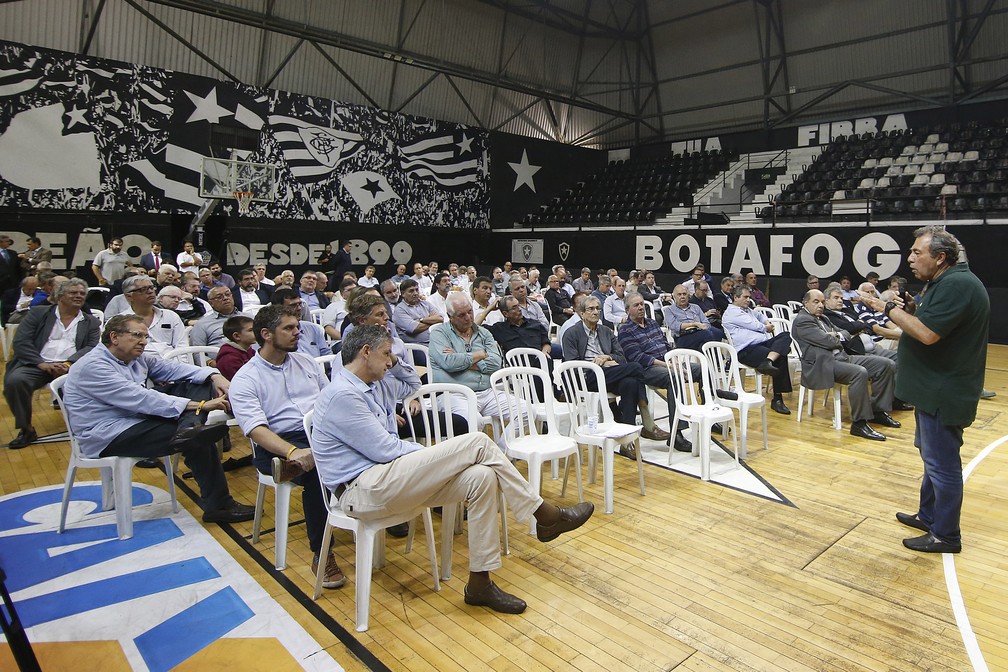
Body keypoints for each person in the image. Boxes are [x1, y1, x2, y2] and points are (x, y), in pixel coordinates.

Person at [311, 324, 594, 614]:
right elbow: (385, 451)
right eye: (386, 354)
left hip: (388, 479)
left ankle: (480, 583)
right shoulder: (343, 395)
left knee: (482, 477)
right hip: (361, 490)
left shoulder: (374, 384)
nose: (389, 360)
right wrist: (434, 456)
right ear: (365, 352)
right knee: (477, 443)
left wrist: (395, 361)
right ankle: (544, 514)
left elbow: (411, 384)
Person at [860, 226, 988, 554]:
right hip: (934, 389)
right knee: (933, 460)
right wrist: (909, 309)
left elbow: (929, 335)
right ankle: (928, 515)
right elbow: (929, 323)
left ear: (941, 257)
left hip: (943, 391)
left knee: (943, 466)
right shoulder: (943, 282)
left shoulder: (957, 284)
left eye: (918, 252)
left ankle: (946, 535)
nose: (910, 258)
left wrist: (886, 309)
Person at [62, 314, 254, 523]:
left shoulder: (134, 357)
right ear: (114, 337)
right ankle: (218, 504)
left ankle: (190, 427)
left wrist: (213, 375)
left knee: (199, 383)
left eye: (145, 336)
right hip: (108, 433)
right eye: (137, 335)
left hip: (138, 420)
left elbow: (172, 369)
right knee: (199, 438)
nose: (144, 341)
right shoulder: (93, 366)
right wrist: (200, 405)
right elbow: (141, 399)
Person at [228, 305, 345, 586]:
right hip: (279, 442)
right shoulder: (246, 378)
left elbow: (330, 401)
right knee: (321, 473)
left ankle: (303, 467)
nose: (298, 332)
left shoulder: (306, 363)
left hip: (319, 433)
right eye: (289, 328)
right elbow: (256, 429)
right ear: (267, 335)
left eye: (297, 326)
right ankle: (322, 553)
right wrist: (293, 451)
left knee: (371, 448)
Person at [563, 295, 678, 447]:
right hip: (587, 377)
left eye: (598, 308)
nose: (596, 312)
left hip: (611, 373)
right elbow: (572, 364)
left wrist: (607, 357)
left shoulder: (606, 331)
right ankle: (644, 416)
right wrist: (595, 364)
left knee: (631, 382)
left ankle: (627, 439)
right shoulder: (571, 333)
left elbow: (621, 357)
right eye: (591, 309)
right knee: (636, 367)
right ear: (582, 313)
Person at [3, 279, 99, 449]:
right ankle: (26, 429)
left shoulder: (90, 321)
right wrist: (41, 364)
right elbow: (21, 342)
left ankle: (90, 427)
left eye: (82, 293)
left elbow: (92, 347)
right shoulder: (38, 314)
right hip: (37, 365)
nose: (79, 296)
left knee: (98, 381)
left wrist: (69, 363)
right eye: (73, 293)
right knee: (15, 381)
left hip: (71, 368)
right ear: (59, 296)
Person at [792, 290, 899, 442]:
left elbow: (845, 333)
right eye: (816, 302)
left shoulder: (823, 318)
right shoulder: (802, 320)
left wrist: (835, 336)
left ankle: (878, 411)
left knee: (886, 364)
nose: (821, 305)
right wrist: (835, 337)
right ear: (806, 303)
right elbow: (829, 341)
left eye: (822, 302)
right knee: (859, 372)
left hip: (842, 357)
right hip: (823, 364)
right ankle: (859, 424)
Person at [721, 285, 792, 415]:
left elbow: (760, 316)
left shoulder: (747, 310)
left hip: (762, 344)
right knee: (781, 355)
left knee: (786, 335)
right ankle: (777, 399)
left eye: (749, 297)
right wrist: (767, 327)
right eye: (745, 297)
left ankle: (768, 361)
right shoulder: (732, 312)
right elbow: (754, 325)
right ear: (735, 297)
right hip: (746, 350)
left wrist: (766, 322)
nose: (748, 300)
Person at [114, 275, 187, 356]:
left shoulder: (171, 316)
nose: (150, 292)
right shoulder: (119, 321)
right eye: (143, 289)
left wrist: (181, 366)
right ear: (129, 296)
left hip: (171, 363)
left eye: (151, 288)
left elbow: (182, 347)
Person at [663, 284, 724, 350]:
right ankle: (717, 359)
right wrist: (694, 324)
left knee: (708, 340)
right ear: (674, 296)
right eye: (679, 294)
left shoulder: (696, 307)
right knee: (707, 335)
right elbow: (675, 326)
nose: (682, 297)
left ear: (688, 295)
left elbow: (706, 323)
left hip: (699, 333)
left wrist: (701, 327)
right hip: (682, 338)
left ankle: (706, 358)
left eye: (684, 294)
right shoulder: (669, 310)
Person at [393, 278, 443, 345]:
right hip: (418, 346)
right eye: (411, 291)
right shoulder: (399, 310)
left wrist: (421, 320)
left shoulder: (425, 303)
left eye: (416, 290)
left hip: (436, 341)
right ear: (403, 294)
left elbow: (440, 319)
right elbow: (414, 329)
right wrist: (432, 321)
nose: (415, 293)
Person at [215, 315, 256, 380]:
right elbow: (239, 380)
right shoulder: (229, 358)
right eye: (251, 330)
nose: (256, 332)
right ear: (237, 336)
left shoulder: (251, 351)